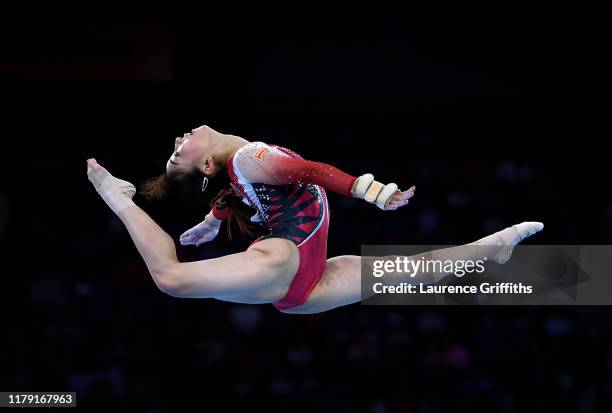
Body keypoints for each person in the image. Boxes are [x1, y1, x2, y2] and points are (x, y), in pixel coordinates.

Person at [86, 125, 543, 314]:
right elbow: (310, 173)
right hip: (283, 258)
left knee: (415, 271)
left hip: (309, 282)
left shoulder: (238, 170)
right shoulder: (248, 156)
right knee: (170, 277)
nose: (179, 140)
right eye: (177, 155)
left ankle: (494, 245)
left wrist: (212, 221)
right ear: (205, 165)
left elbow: (234, 193)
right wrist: (371, 191)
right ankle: (119, 197)